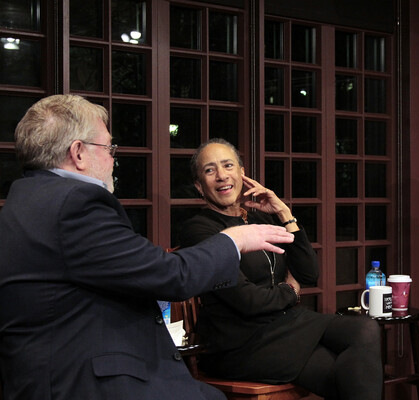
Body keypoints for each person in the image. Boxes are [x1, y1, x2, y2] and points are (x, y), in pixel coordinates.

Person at [0, 94, 295, 400]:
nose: (113, 158)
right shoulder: (75, 203)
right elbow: (171, 276)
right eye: (108, 148)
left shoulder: (24, 199)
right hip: (82, 381)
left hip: (55, 371)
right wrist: (235, 240)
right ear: (78, 152)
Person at [178, 138, 383, 400]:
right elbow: (247, 300)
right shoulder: (199, 230)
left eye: (228, 165)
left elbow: (309, 273)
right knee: (347, 372)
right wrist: (290, 292)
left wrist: (284, 214)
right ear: (199, 185)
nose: (221, 175)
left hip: (283, 325)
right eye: (209, 170)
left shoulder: (260, 217)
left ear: (242, 173)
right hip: (239, 342)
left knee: (364, 330)